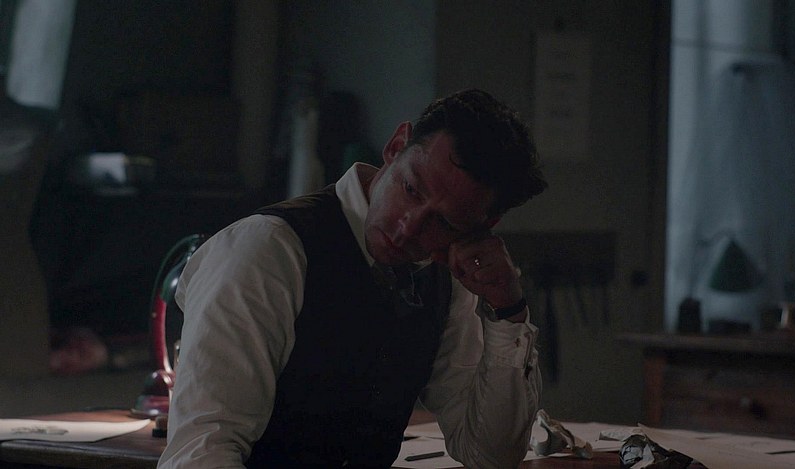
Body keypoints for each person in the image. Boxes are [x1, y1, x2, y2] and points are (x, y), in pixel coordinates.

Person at [158, 88, 549, 468]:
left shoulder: (444, 281)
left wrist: (507, 310)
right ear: (395, 147)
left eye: (443, 222)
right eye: (411, 189)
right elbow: (198, 454)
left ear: (483, 225)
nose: (408, 228)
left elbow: (489, 455)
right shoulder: (266, 252)